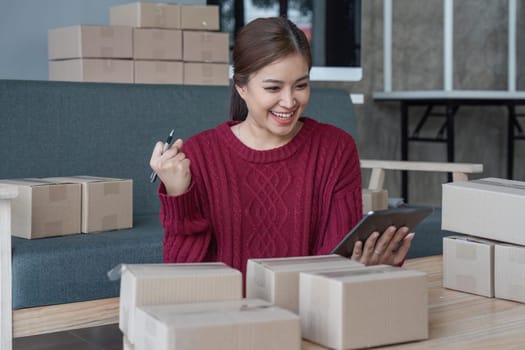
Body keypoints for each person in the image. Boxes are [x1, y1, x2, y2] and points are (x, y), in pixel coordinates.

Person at [149, 17, 413, 276]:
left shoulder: (335, 149)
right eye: (273, 87)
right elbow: (181, 275)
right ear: (241, 87)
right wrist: (177, 194)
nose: (289, 101)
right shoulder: (201, 155)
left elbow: (336, 259)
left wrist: (371, 265)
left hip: (309, 311)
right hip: (224, 314)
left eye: (301, 85)